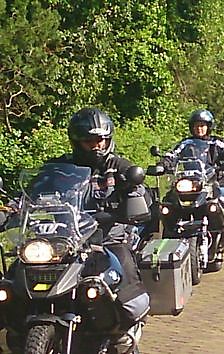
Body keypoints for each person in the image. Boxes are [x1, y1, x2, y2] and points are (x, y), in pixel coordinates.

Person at [54, 107, 150, 349]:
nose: (96, 146)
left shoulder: (119, 166)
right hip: (68, 236)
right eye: (89, 141)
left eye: (101, 140)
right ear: (77, 142)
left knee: (122, 261)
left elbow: (140, 192)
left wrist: (130, 203)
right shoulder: (60, 168)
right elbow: (37, 192)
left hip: (110, 235)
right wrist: (11, 209)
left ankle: (127, 325)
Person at [159, 109, 224, 247]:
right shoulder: (185, 143)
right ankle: (169, 233)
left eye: (202, 125)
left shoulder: (216, 142)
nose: (199, 128)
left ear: (208, 127)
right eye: (196, 125)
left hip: (213, 181)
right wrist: (163, 164)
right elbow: (172, 155)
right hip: (188, 182)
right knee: (168, 203)